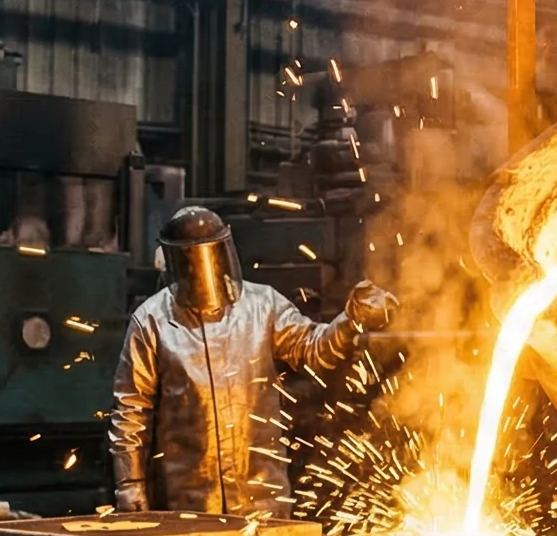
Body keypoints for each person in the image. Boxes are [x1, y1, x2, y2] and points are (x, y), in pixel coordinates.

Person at [108, 207, 397, 516]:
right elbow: (131, 408)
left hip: (261, 498)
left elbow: (313, 350)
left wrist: (350, 321)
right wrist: (130, 483)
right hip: (187, 501)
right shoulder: (152, 320)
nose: (201, 270)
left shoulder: (263, 306)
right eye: (191, 261)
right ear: (176, 263)